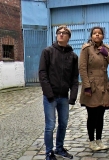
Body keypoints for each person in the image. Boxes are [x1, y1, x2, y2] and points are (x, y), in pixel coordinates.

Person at [39, 25, 79, 160]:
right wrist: (49, 93)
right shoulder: (48, 52)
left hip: (64, 97)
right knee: (50, 125)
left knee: (63, 124)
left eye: (64, 33)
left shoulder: (73, 56)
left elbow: (74, 78)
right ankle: (49, 153)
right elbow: (42, 73)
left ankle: (59, 148)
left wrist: (72, 96)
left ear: (68, 37)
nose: (61, 34)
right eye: (59, 32)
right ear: (56, 35)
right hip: (50, 96)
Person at [79, 26, 109, 151]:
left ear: (103, 36)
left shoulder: (107, 49)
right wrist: (86, 86)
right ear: (91, 36)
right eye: (94, 33)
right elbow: (82, 68)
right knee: (92, 115)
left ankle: (99, 140)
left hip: (103, 86)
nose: (97, 35)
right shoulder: (86, 49)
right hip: (92, 86)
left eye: (99, 33)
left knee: (101, 114)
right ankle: (91, 141)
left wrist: (107, 55)